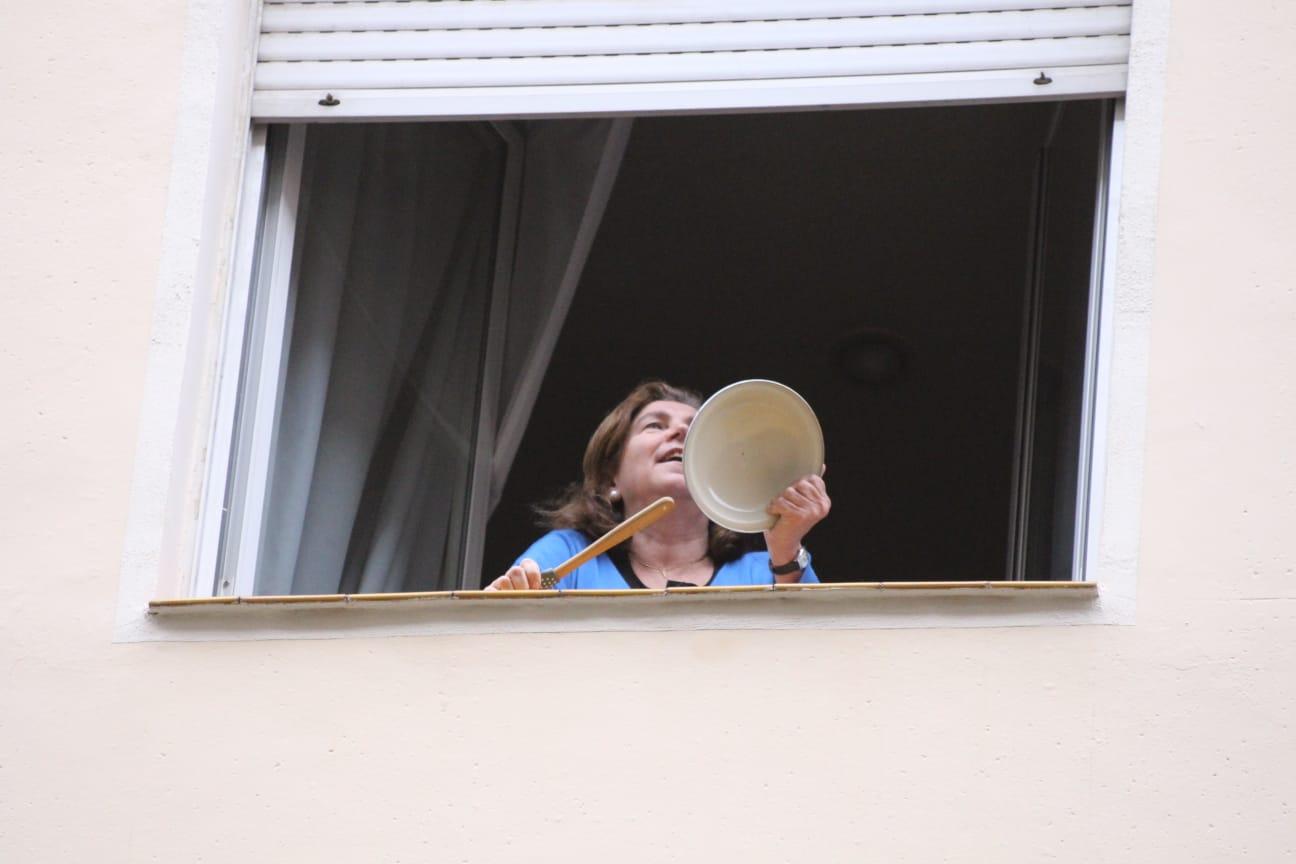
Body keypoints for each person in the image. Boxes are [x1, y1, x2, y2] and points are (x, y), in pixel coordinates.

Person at [486, 380, 831, 590]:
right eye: (655, 426)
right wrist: (513, 602)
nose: (681, 433)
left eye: (696, 432)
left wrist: (786, 550)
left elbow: (813, 658)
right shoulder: (570, 555)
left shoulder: (765, 569)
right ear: (611, 479)